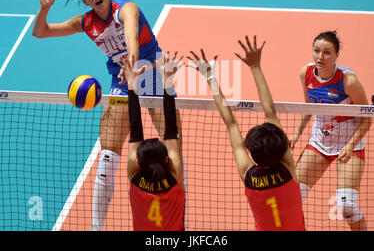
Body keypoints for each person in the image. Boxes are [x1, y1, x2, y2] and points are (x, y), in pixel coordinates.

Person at [31, 0, 173, 231]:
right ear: (84, 0)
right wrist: (44, 9)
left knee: (173, 146)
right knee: (108, 156)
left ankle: (175, 216)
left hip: (152, 74)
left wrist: (133, 66)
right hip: (120, 81)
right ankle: (97, 227)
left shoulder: (127, 8)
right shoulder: (85, 22)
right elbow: (40, 32)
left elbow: (131, 35)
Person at [188, 35, 305, 231]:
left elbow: (231, 123)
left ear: (251, 153)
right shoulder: (287, 167)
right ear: (282, 147)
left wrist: (210, 77)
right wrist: (255, 66)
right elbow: (270, 111)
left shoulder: (248, 175)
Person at [290, 31, 372, 231]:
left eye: (327, 52)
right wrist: (296, 134)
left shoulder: (348, 81)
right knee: (291, 201)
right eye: (317, 51)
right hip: (320, 142)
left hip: (349, 145)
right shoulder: (306, 73)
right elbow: (308, 106)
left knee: (346, 207)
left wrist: (350, 145)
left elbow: (367, 118)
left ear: (336, 56)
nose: (320, 56)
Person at [118, 52, 185, 230]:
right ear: (166, 160)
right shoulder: (174, 177)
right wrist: (167, 81)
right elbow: (169, 127)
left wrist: (131, 85)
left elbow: (136, 129)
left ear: (138, 162)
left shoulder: (136, 178)